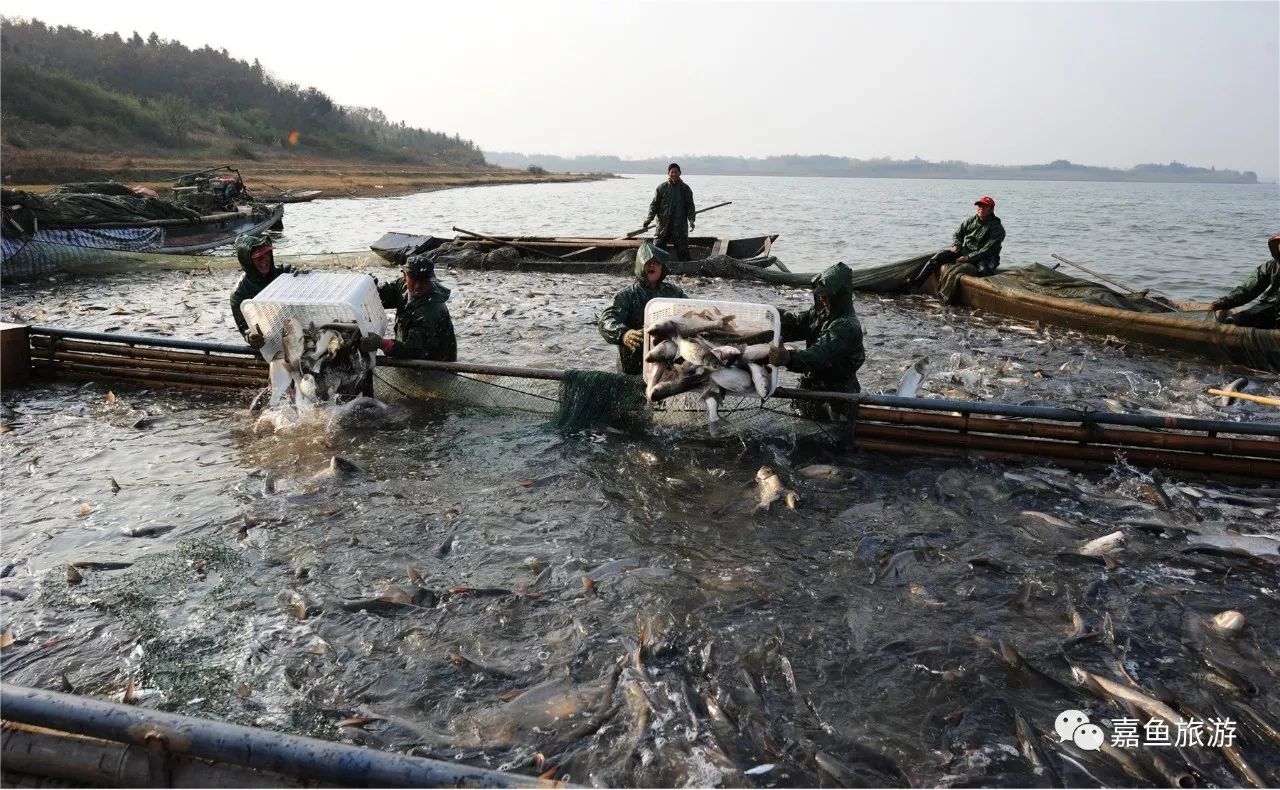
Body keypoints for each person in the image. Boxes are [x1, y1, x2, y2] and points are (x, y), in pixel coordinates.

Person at [768, 262, 866, 417]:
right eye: (820, 295)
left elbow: (819, 355)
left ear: (840, 296)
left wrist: (788, 358)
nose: (822, 300)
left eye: (826, 296)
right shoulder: (821, 312)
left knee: (830, 436)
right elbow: (800, 323)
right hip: (811, 387)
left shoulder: (847, 326)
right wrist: (782, 318)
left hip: (837, 396)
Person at [598, 242, 687, 374]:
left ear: (662, 267)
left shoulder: (675, 294)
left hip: (666, 359)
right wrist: (624, 334)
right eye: (647, 262)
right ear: (640, 266)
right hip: (632, 364)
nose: (652, 265)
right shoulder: (626, 295)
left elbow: (691, 313)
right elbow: (606, 320)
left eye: (656, 262)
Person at [360, 254, 458, 361]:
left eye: (424, 281)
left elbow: (414, 350)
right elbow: (383, 297)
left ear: (431, 280)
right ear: (404, 276)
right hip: (415, 355)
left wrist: (382, 343)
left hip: (436, 367)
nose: (418, 286)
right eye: (414, 280)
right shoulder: (402, 286)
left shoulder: (431, 310)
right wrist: (373, 289)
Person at [911, 196, 1006, 287]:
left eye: (984, 206)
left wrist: (967, 258)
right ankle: (917, 283)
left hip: (988, 257)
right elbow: (958, 234)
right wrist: (957, 245)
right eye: (979, 206)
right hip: (966, 251)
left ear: (991, 209)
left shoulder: (997, 228)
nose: (980, 208)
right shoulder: (970, 221)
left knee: (984, 269)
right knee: (939, 256)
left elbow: (987, 250)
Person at [230, 232, 291, 348]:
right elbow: (244, 328)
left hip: (290, 333)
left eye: (267, 254)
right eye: (258, 258)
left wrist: (300, 274)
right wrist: (251, 337)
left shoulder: (282, 273)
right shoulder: (239, 293)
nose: (264, 260)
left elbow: (292, 270)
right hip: (268, 344)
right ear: (247, 262)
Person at [1209, 234, 1280, 329]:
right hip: (1269, 306)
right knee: (1235, 321)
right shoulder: (1270, 266)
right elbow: (1248, 289)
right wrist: (1225, 302)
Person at [643, 163, 696, 261]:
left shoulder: (685, 189)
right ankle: (658, 268)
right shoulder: (661, 188)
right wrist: (649, 219)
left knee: (682, 250)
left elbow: (690, 206)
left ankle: (685, 268)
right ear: (668, 173)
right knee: (658, 248)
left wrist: (691, 220)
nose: (674, 174)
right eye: (672, 172)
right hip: (663, 225)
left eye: (676, 172)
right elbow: (654, 205)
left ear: (680, 173)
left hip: (679, 225)